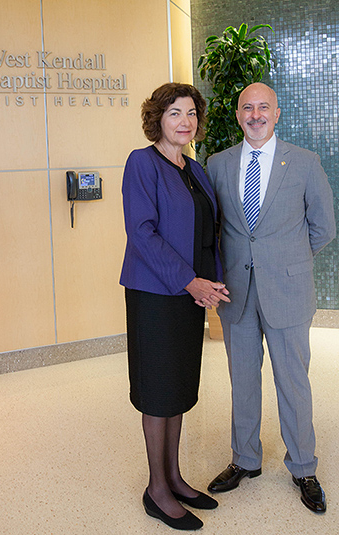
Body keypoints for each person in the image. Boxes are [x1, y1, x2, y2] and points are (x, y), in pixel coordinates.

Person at [206, 82, 336, 513]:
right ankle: (245, 460)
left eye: (264, 107)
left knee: (293, 383)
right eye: (248, 107)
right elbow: (215, 229)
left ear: (277, 114)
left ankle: (303, 466)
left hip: (288, 291)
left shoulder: (304, 162)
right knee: (242, 381)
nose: (256, 114)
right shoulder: (218, 164)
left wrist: (287, 261)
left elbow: (323, 227)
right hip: (236, 295)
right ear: (238, 114)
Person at [120, 82, 230, 530]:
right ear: (157, 120)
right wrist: (190, 281)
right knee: (159, 391)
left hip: (190, 294)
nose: (185, 122)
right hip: (156, 295)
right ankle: (156, 489)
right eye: (174, 114)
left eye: (191, 113)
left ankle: (175, 476)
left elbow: (210, 231)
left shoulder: (195, 169)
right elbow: (142, 232)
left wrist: (212, 285)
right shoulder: (142, 163)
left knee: (180, 387)